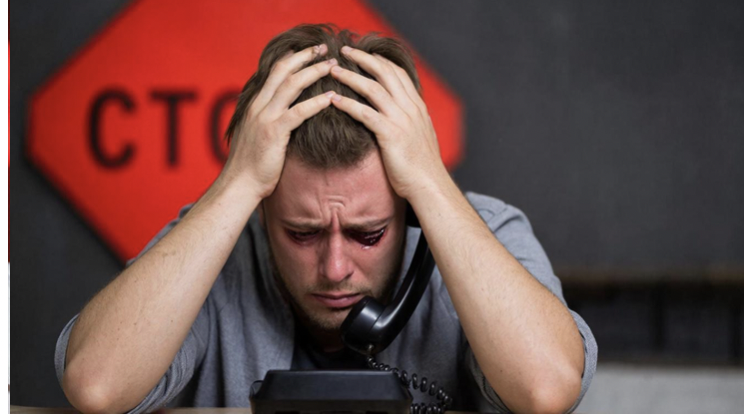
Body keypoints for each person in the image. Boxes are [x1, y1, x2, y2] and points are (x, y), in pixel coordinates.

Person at [55, 24, 597, 414]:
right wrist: (236, 184)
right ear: (263, 206)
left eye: (368, 234)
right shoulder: (217, 237)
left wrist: (431, 186)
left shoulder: (480, 228)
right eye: (302, 233)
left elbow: (546, 390)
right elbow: (97, 386)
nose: (335, 268)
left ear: (408, 208)